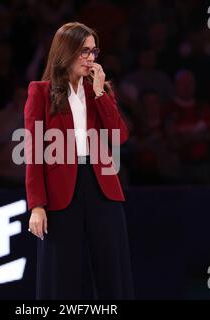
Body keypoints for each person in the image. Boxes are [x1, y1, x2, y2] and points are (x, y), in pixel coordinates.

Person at [24, 22, 134, 300]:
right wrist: (37, 205)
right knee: (58, 276)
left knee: (113, 273)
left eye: (93, 51)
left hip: (102, 188)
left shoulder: (99, 92)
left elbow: (119, 137)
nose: (90, 58)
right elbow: (34, 153)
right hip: (61, 191)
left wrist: (100, 93)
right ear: (66, 52)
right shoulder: (40, 91)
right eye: (83, 51)